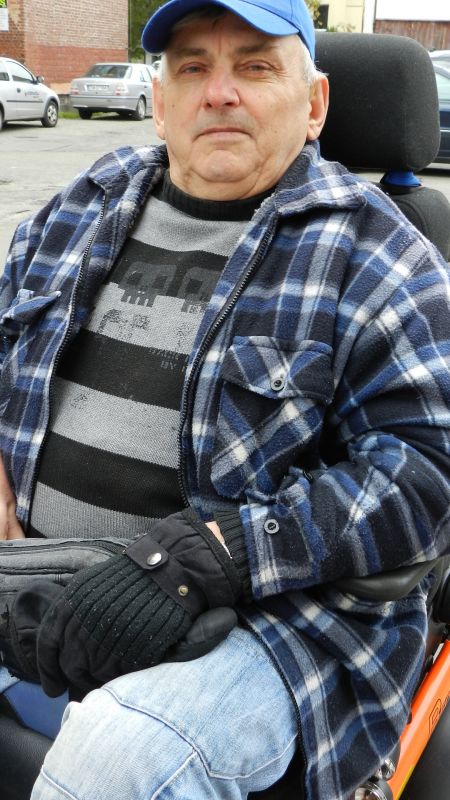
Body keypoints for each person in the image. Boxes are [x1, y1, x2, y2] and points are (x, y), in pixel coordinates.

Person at [0, 0, 449, 798]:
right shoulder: (80, 207)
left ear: (314, 105)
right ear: (161, 100)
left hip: (270, 624)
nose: (219, 92)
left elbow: (424, 475)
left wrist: (211, 557)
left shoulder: (381, 256)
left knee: (120, 759)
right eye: (193, 68)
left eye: (255, 66)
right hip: (36, 575)